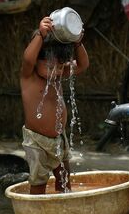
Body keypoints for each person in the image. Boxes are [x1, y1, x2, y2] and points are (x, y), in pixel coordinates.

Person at [20, 16, 89, 194]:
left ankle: (64, 208)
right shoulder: (29, 77)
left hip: (59, 138)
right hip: (36, 140)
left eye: (59, 67)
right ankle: (37, 212)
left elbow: (83, 64)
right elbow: (28, 59)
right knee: (38, 179)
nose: (56, 72)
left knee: (64, 178)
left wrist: (77, 43)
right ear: (37, 62)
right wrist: (40, 36)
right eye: (50, 67)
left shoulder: (58, 75)